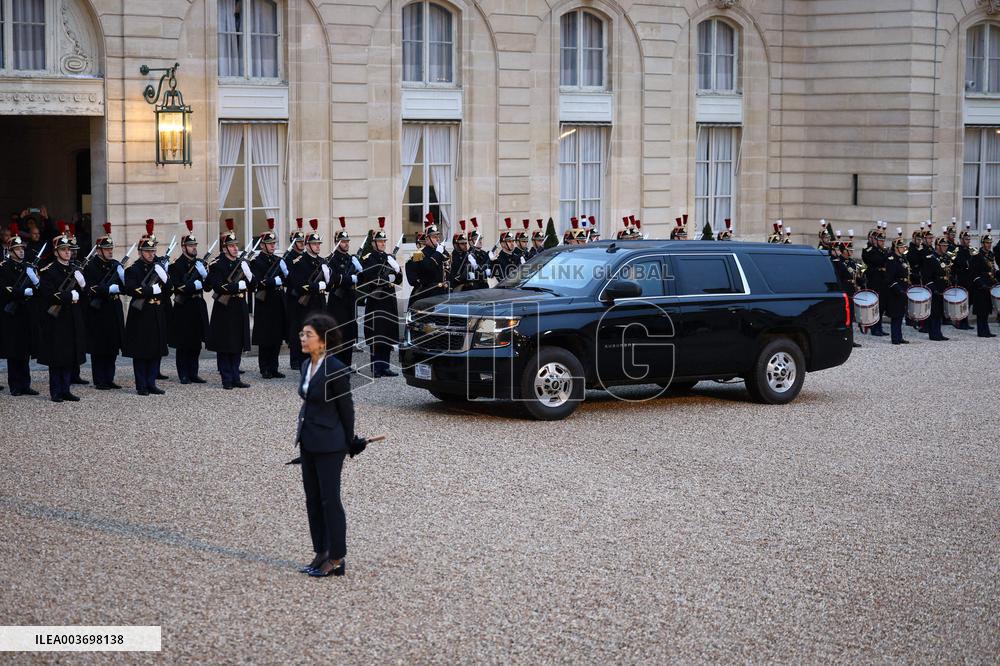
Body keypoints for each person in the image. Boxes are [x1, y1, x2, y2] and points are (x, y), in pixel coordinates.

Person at [295, 312, 355, 578]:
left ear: (323, 340)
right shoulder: (306, 365)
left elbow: (347, 409)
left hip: (330, 445)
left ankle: (337, 557)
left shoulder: (337, 369)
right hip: (308, 440)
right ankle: (321, 550)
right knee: (312, 500)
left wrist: (350, 441)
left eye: (308, 335)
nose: (303, 338)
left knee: (330, 501)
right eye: (302, 334)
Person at [37, 224, 87, 402]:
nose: (68, 253)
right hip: (57, 319)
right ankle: (56, 391)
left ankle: (66, 388)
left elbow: (85, 296)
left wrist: (82, 285)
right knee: (57, 356)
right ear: (56, 251)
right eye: (64, 250)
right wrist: (67, 296)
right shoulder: (49, 270)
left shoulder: (74, 269)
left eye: (69, 250)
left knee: (70, 355)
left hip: (72, 318)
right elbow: (48, 294)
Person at [124, 220, 170, 395]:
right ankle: (141, 384)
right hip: (141, 314)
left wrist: (164, 277)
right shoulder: (134, 270)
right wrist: (150, 290)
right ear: (140, 252)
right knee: (141, 351)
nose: (151, 254)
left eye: (153, 251)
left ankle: (151, 382)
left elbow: (168, 289)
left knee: (155, 350)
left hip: (156, 312)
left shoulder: (158, 268)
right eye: (148, 251)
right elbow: (130, 288)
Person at [206, 220, 252, 389]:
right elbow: (217, 286)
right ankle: (226, 378)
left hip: (239, 306)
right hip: (225, 309)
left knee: (238, 343)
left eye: (235, 245)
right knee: (225, 344)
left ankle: (235, 376)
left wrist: (249, 275)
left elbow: (253, 286)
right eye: (231, 246)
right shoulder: (218, 265)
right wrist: (235, 286)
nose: (235, 248)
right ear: (224, 248)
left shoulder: (241, 263)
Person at [82, 223, 126, 389]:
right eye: (106, 249)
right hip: (99, 311)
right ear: (98, 250)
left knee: (113, 346)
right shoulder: (91, 266)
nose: (110, 251)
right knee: (99, 347)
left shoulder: (115, 265)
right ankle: (99, 379)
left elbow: (125, 288)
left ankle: (109, 378)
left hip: (114, 309)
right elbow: (90, 288)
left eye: (111, 249)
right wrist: (107, 289)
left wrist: (122, 280)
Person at [168, 220, 209, 384]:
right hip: (184, 306)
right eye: (190, 246)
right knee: (183, 342)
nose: (194, 248)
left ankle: (193, 372)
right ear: (183, 247)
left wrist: (205, 276)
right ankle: (183, 373)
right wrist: (193, 285)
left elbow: (207, 288)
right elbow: (177, 287)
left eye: (194, 245)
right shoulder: (176, 266)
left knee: (196, 341)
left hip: (198, 305)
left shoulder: (200, 264)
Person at [0, 223, 39, 395]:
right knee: (13, 350)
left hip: (25, 313)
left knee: (24, 349)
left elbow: (38, 289)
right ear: (10, 251)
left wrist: (35, 282)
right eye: (17, 248)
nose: (21, 251)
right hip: (11, 314)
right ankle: (15, 385)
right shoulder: (4, 268)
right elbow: (5, 289)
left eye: (22, 248)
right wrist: (22, 291)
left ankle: (25, 384)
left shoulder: (27, 267)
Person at [360, 219, 403, 378]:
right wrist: (387, 278)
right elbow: (370, 277)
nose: (383, 244)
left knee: (387, 333)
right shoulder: (369, 258)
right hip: (376, 300)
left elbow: (399, 279)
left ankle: (385, 366)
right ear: (374, 243)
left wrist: (397, 271)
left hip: (389, 299)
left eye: (384, 241)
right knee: (377, 334)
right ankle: (376, 367)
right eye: (380, 241)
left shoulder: (389, 257)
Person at [286, 219, 327, 371]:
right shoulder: (300, 262)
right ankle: (305, 369)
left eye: (319, 244)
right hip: (306, 307)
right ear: (308, 245)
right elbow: (299, 284)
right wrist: (317, 286)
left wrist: (329, 280)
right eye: (315, 244)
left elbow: (331, 283)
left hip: (319, 306)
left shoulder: (322, 262)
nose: (318, 246)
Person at [250, 218, 288, 378]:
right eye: (270, 243)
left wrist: (285, 275)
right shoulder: (257, 262)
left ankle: (274, 366)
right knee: (266, 337)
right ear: (262, 245)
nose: (273, 245)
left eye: (274, 243)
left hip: (278, 301)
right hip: (265, 303)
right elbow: (259, 282)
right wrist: (274, 281)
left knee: (277, 336)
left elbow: (287, 279)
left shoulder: (278, 261)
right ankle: (264, 367)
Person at [326, 217, 361, 368]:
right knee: (338, 333)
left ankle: (347, 364)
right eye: (343, 241)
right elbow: (332, 279)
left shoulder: (351, 259)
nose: (346, 244)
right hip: (337, 302)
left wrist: (359, 271)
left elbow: (362, 277)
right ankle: (337, 365)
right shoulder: (331, 260)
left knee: (349, 333)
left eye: (347, 241)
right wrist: (349, 279)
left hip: (350, 299)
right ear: (337, 242)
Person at [284, 218, 307, 370]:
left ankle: (303, 358)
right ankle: (294, 359)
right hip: (293, 297)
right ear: (293, 242)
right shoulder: (288, 257)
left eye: (302, 241)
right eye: (298, 241)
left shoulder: (305, 256)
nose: (301, 244)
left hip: (306, 297)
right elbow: (289, 278)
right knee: (294, 329)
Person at [921, 234, 951, 342]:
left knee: (939, 312)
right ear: (937, 246)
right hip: (935, 288)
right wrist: (933, 288)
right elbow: (926, 276)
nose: (945, 247)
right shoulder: (930, 258)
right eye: (943, 245)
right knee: (933, 312)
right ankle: (933, 333)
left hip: (943, 288)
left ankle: (938, 332)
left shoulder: (945, 257)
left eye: (946, 245)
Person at [861, 224, 888, 336]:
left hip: (882, 278)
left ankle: (879, 326)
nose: (879, 242)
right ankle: (874, 327)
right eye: (877, 239)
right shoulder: (868, 250)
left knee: (881, 305)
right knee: (875, 305)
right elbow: (878, 261)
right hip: (874, 279)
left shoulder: (881, 250)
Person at [970, 225, 996, 338]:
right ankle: (981, 331)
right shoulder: (977, 255)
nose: (988, 244)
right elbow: (974, 272)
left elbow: (992, 270)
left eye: (990, 242)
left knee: (987, 309)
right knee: (981, 310)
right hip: (980, 286)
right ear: (982, 243)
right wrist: (981, 283)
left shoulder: (990, 254)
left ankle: (987, 330)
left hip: (989, 285)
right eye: (986, 242)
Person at [883, 236, 911, 345]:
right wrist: (898, 289)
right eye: (901, 247)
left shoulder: (902, 258)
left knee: (900, 314)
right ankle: (895, 338)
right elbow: (890, 277)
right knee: (895, 314)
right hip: (895, 289)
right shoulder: (892, 259)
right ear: (896, 248)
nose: (903, 248)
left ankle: (899, 336)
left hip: (903, 287)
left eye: (903, 247)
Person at [447, 225, 478, 292]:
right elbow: (454, 277)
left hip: (470, 288)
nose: (465, 245)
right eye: (462, 244)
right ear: (455, 245)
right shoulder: (451, 257)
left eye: (465, 243)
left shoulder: (468, 255)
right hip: (457, 288)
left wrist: (473, 265)